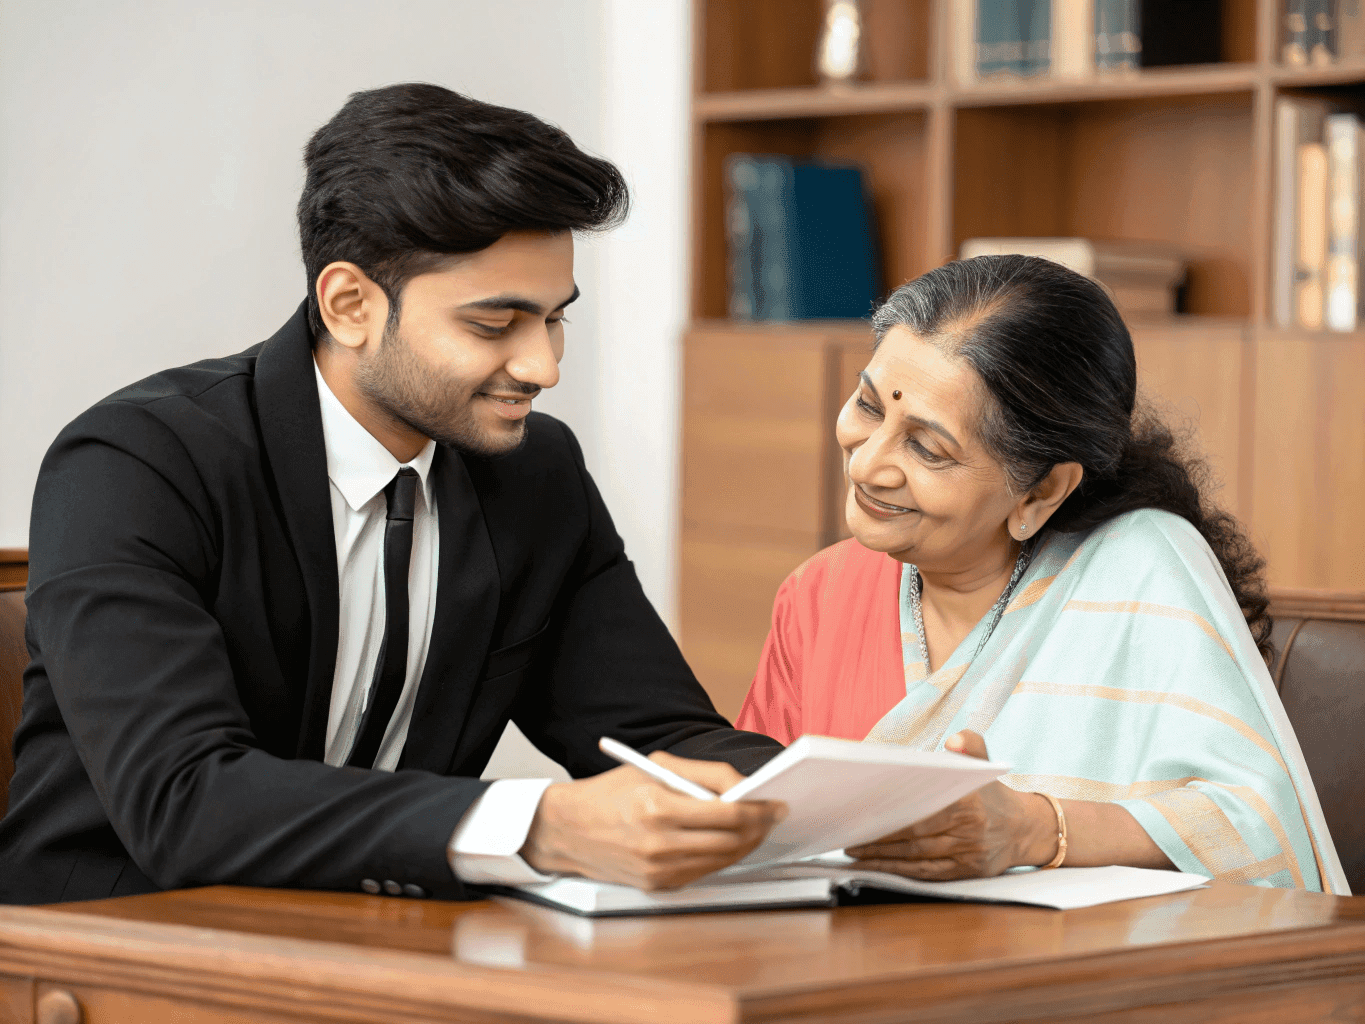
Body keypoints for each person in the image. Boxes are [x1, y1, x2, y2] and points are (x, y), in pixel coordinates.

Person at [0, 83, 786, 906]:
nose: (543, 367)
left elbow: (659, 736)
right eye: (494, 325)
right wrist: (538, 823)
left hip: (378, 942)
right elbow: (182, 798)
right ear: (350, 305)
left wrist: (859, 810)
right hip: (112, 943)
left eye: (555, 320)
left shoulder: (534, 472)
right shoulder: (138, 463)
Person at [737, 255, 1350, 894]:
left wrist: (1034, 829)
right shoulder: (821, 594)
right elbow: (754, 826)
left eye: (928, 448)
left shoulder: (1139, 568)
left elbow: (1258, 831)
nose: (869, 465)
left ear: (1041, 491)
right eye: (868, 405)